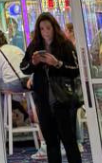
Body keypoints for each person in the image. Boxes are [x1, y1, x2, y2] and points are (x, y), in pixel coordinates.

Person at [20, 13, 82, 163]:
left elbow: (75, 69)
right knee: (51, 143)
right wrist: (33, 63)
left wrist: (57, 64)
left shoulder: (65, 45)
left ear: (54, 27)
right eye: (42, 29)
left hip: (63, 100)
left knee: (69, 141)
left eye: (48, 28)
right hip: (43, 101)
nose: (45, 32)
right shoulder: (35, 46)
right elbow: (24, 67)